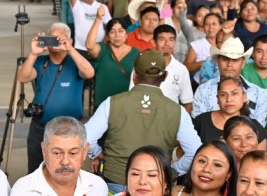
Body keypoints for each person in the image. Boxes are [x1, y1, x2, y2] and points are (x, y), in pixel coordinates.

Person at [86, 50, 201, 188]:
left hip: (116, 180)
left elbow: (86, 138)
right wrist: (174, 170)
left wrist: (97, 153)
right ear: (165, 76)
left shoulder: (112, 103)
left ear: (134, 75)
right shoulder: (177, 111)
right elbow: (195, 151)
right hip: (155, 184)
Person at [17, 25, 94, 173]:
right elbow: (23, 77)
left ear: (69, 40)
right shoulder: (41, 62)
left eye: (59, 38)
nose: (56, 42)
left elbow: (89, 73)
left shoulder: (75, 61)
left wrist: (70, 49)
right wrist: (33, 54)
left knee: (67, 170)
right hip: (41, 127)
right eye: (52, 38)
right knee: (35, 170)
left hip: (70, 129)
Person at [191, 38, 267, 127]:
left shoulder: (258, 94)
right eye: (225, 59)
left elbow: (258, 131)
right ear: (218, 61)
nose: (229, 64)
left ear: (243, 63)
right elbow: (199, 126)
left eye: (235, 60)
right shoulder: (203, 91)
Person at [192, 77, 266, 145]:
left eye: (234, 93)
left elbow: (260, 157)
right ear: (217, 99)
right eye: (223, 95)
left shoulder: (254, 125)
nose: (229, 99)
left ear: (244, 97)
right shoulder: (202, 121)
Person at [85, 14, 139, 107]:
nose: (117, 35)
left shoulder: (136, 53)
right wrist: (98, 19)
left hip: (127, 104)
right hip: (103, 104)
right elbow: (89, 46)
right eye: (112, 32)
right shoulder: (102, 49)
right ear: (108, 35)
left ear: (126, 34)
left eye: (121, 31)